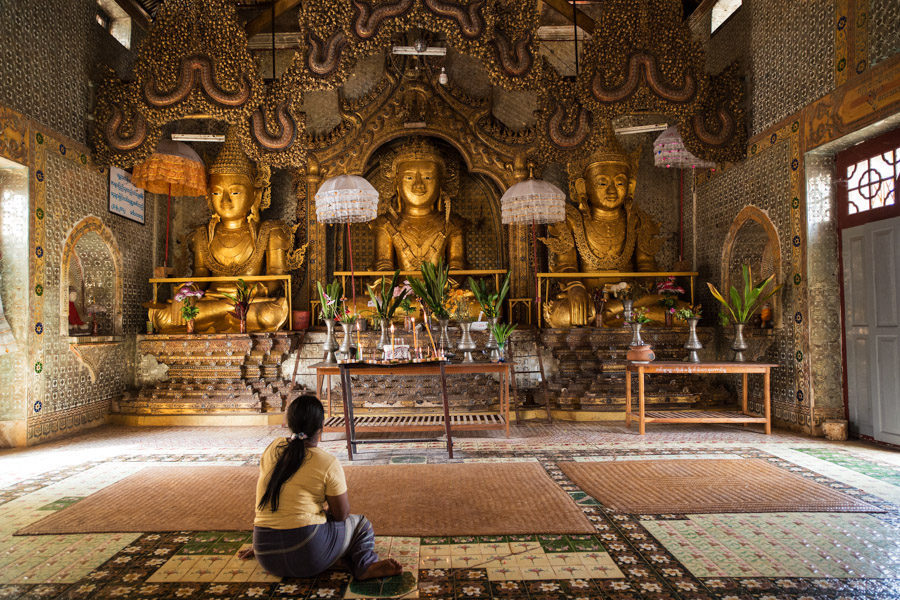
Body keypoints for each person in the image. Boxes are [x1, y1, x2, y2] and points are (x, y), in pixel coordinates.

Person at [239, 395, 402, 580]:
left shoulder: (273, 448)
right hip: (309, 557)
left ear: (289, 424)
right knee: (361, 524)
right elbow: (341, 515)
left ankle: (333, 557)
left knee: (319, 518)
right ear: (320, 427)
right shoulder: (327, 462)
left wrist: (263, 544)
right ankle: (364, 565)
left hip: (266, 554)